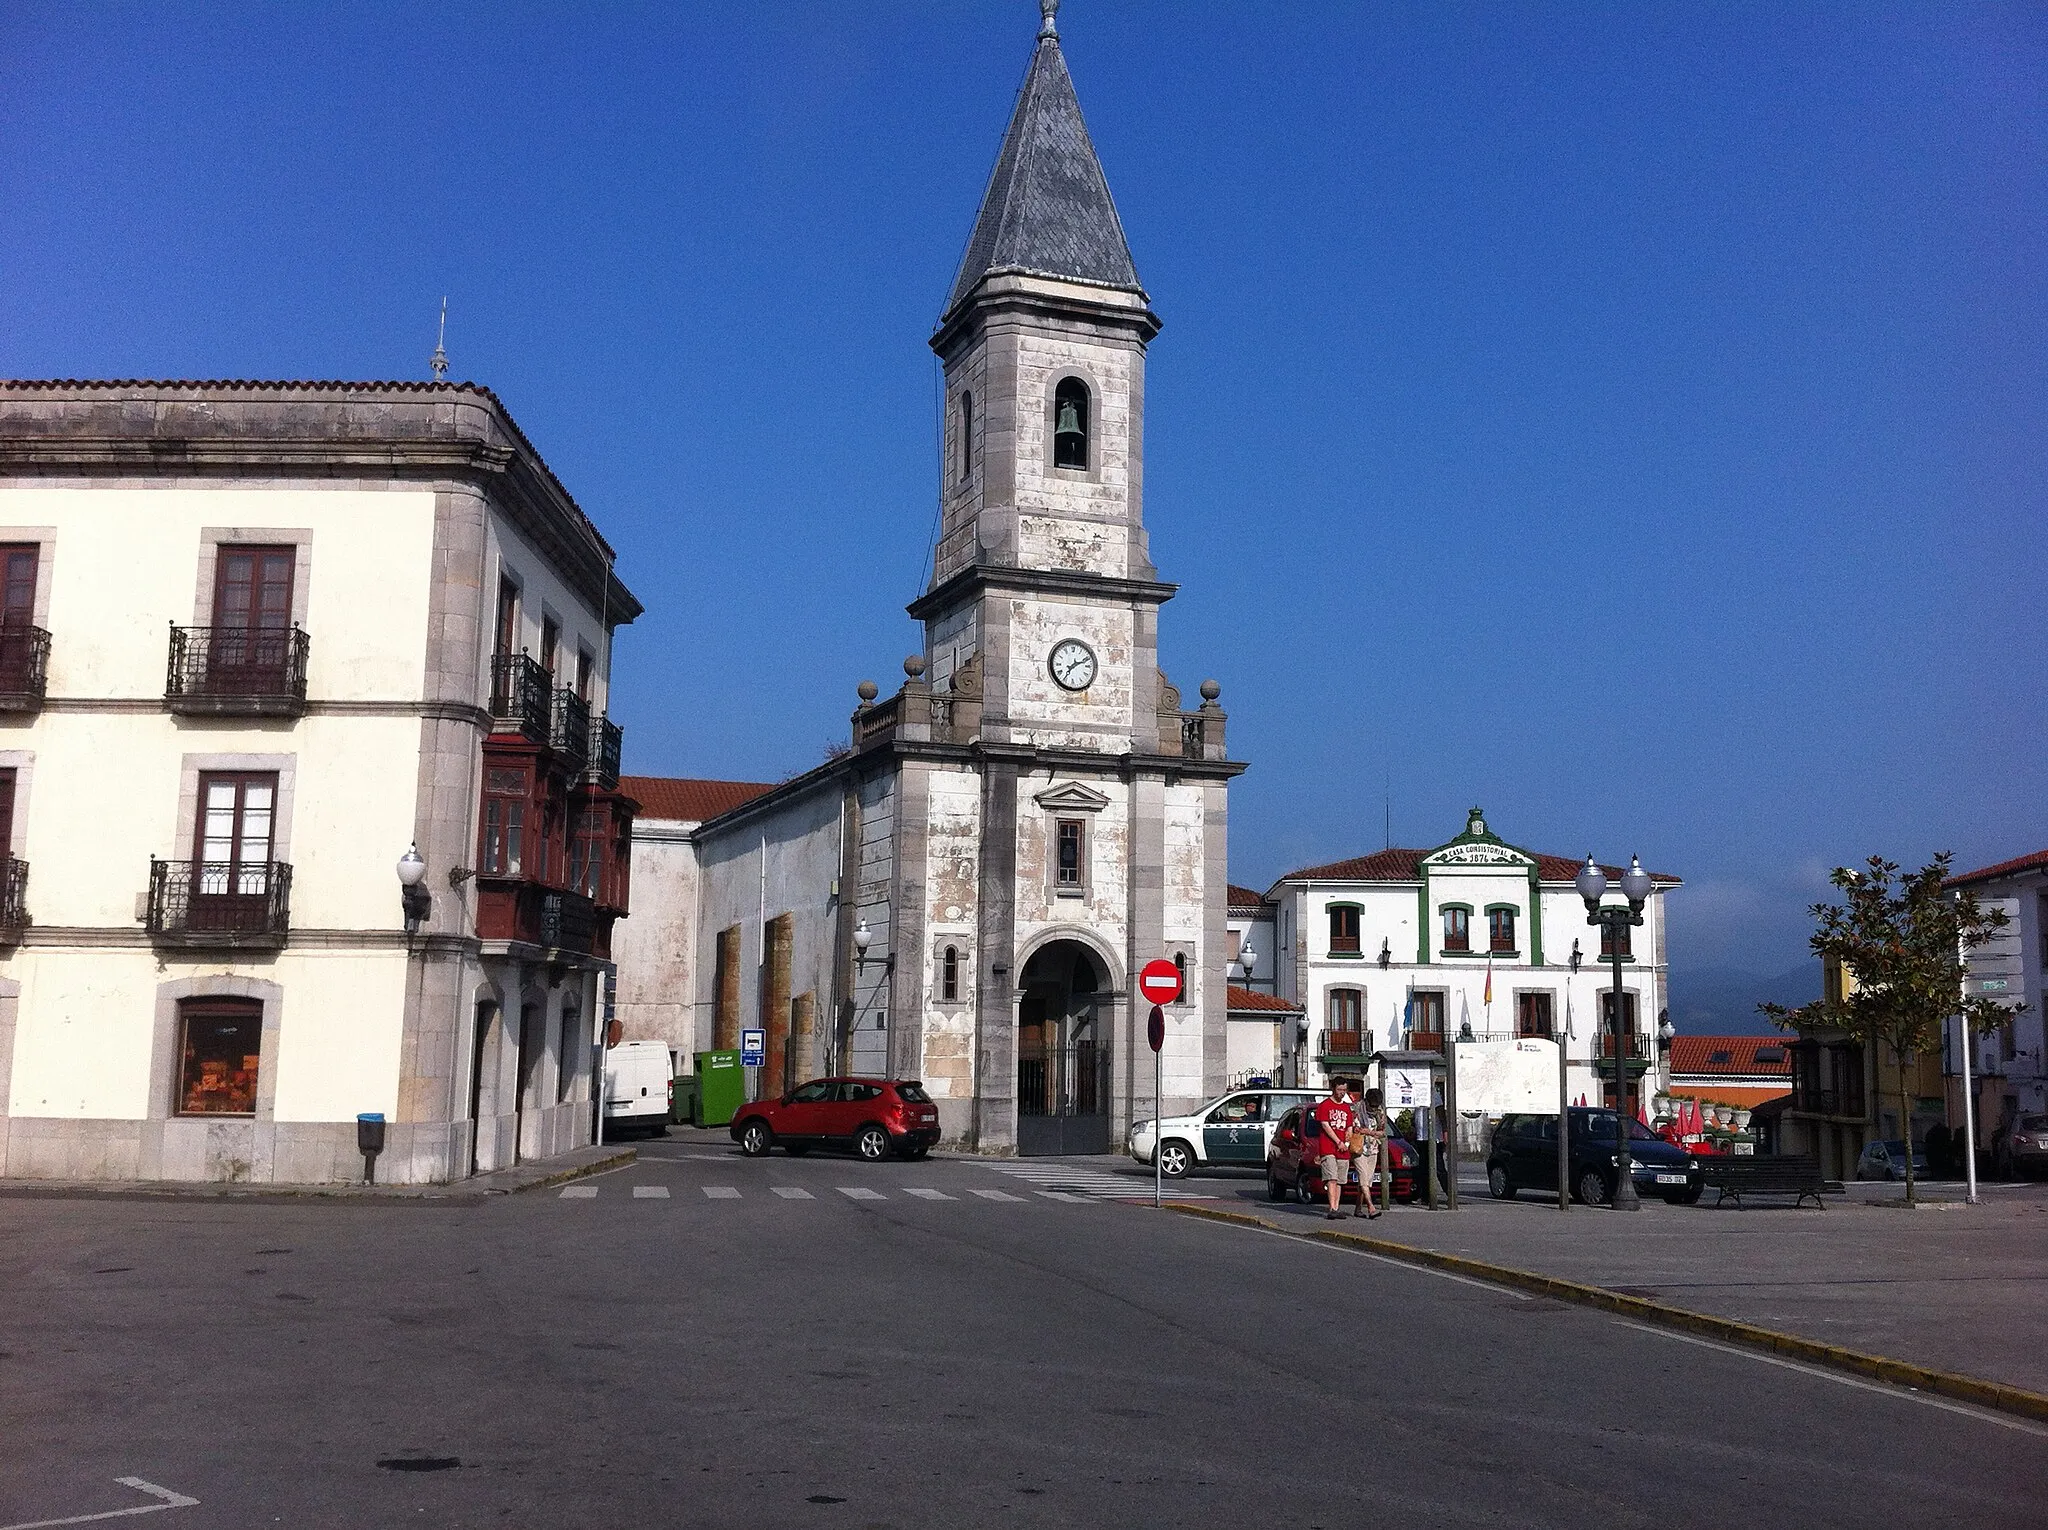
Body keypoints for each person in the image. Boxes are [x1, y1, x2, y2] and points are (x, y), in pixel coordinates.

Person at [1310, 1079, 1355, 1220]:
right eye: (1339, 1090)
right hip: (1329, 1147)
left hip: (1343, 1149)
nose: (1342, 1093)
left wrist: (1349, 1133)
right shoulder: (1325, 1105)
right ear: (1333, 1089)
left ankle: (1336, 1206)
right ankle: (1332, 1208)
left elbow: (1349, 1124)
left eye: (1344, 1090)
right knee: (1332, 1178)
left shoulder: (1346, 1107)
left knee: (1340, 1180)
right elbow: (1325, 1126)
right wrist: (1338, 1141)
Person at [1350, 1082, 1388, 1218]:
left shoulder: (1380, 1111)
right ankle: (1371, 1207)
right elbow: (1355, 1129)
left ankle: (1358, 1208)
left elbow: (1382, 1131)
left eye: (1376, 1105)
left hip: (1373, 1148)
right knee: (1363, 1177)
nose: (1374, 1108)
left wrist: (1371, 1133)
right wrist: (1369, 1132)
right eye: (1372, 1105)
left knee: (1367, 1181)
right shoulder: (1356, 1109)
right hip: (1359, 1147)